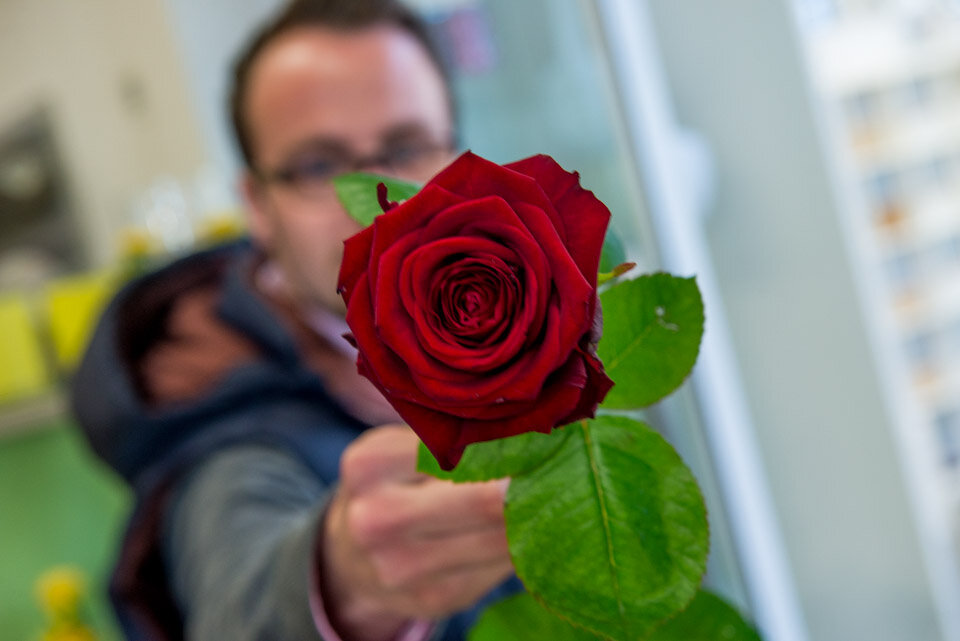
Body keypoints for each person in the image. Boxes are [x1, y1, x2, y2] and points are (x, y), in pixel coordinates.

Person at [71, 1, 521, 639]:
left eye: (408, 147)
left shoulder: (524, 332)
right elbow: (243, 594)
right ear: (257, 204)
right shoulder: (225, 428)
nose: (377, 200)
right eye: (319, 165)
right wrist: (341, 586)